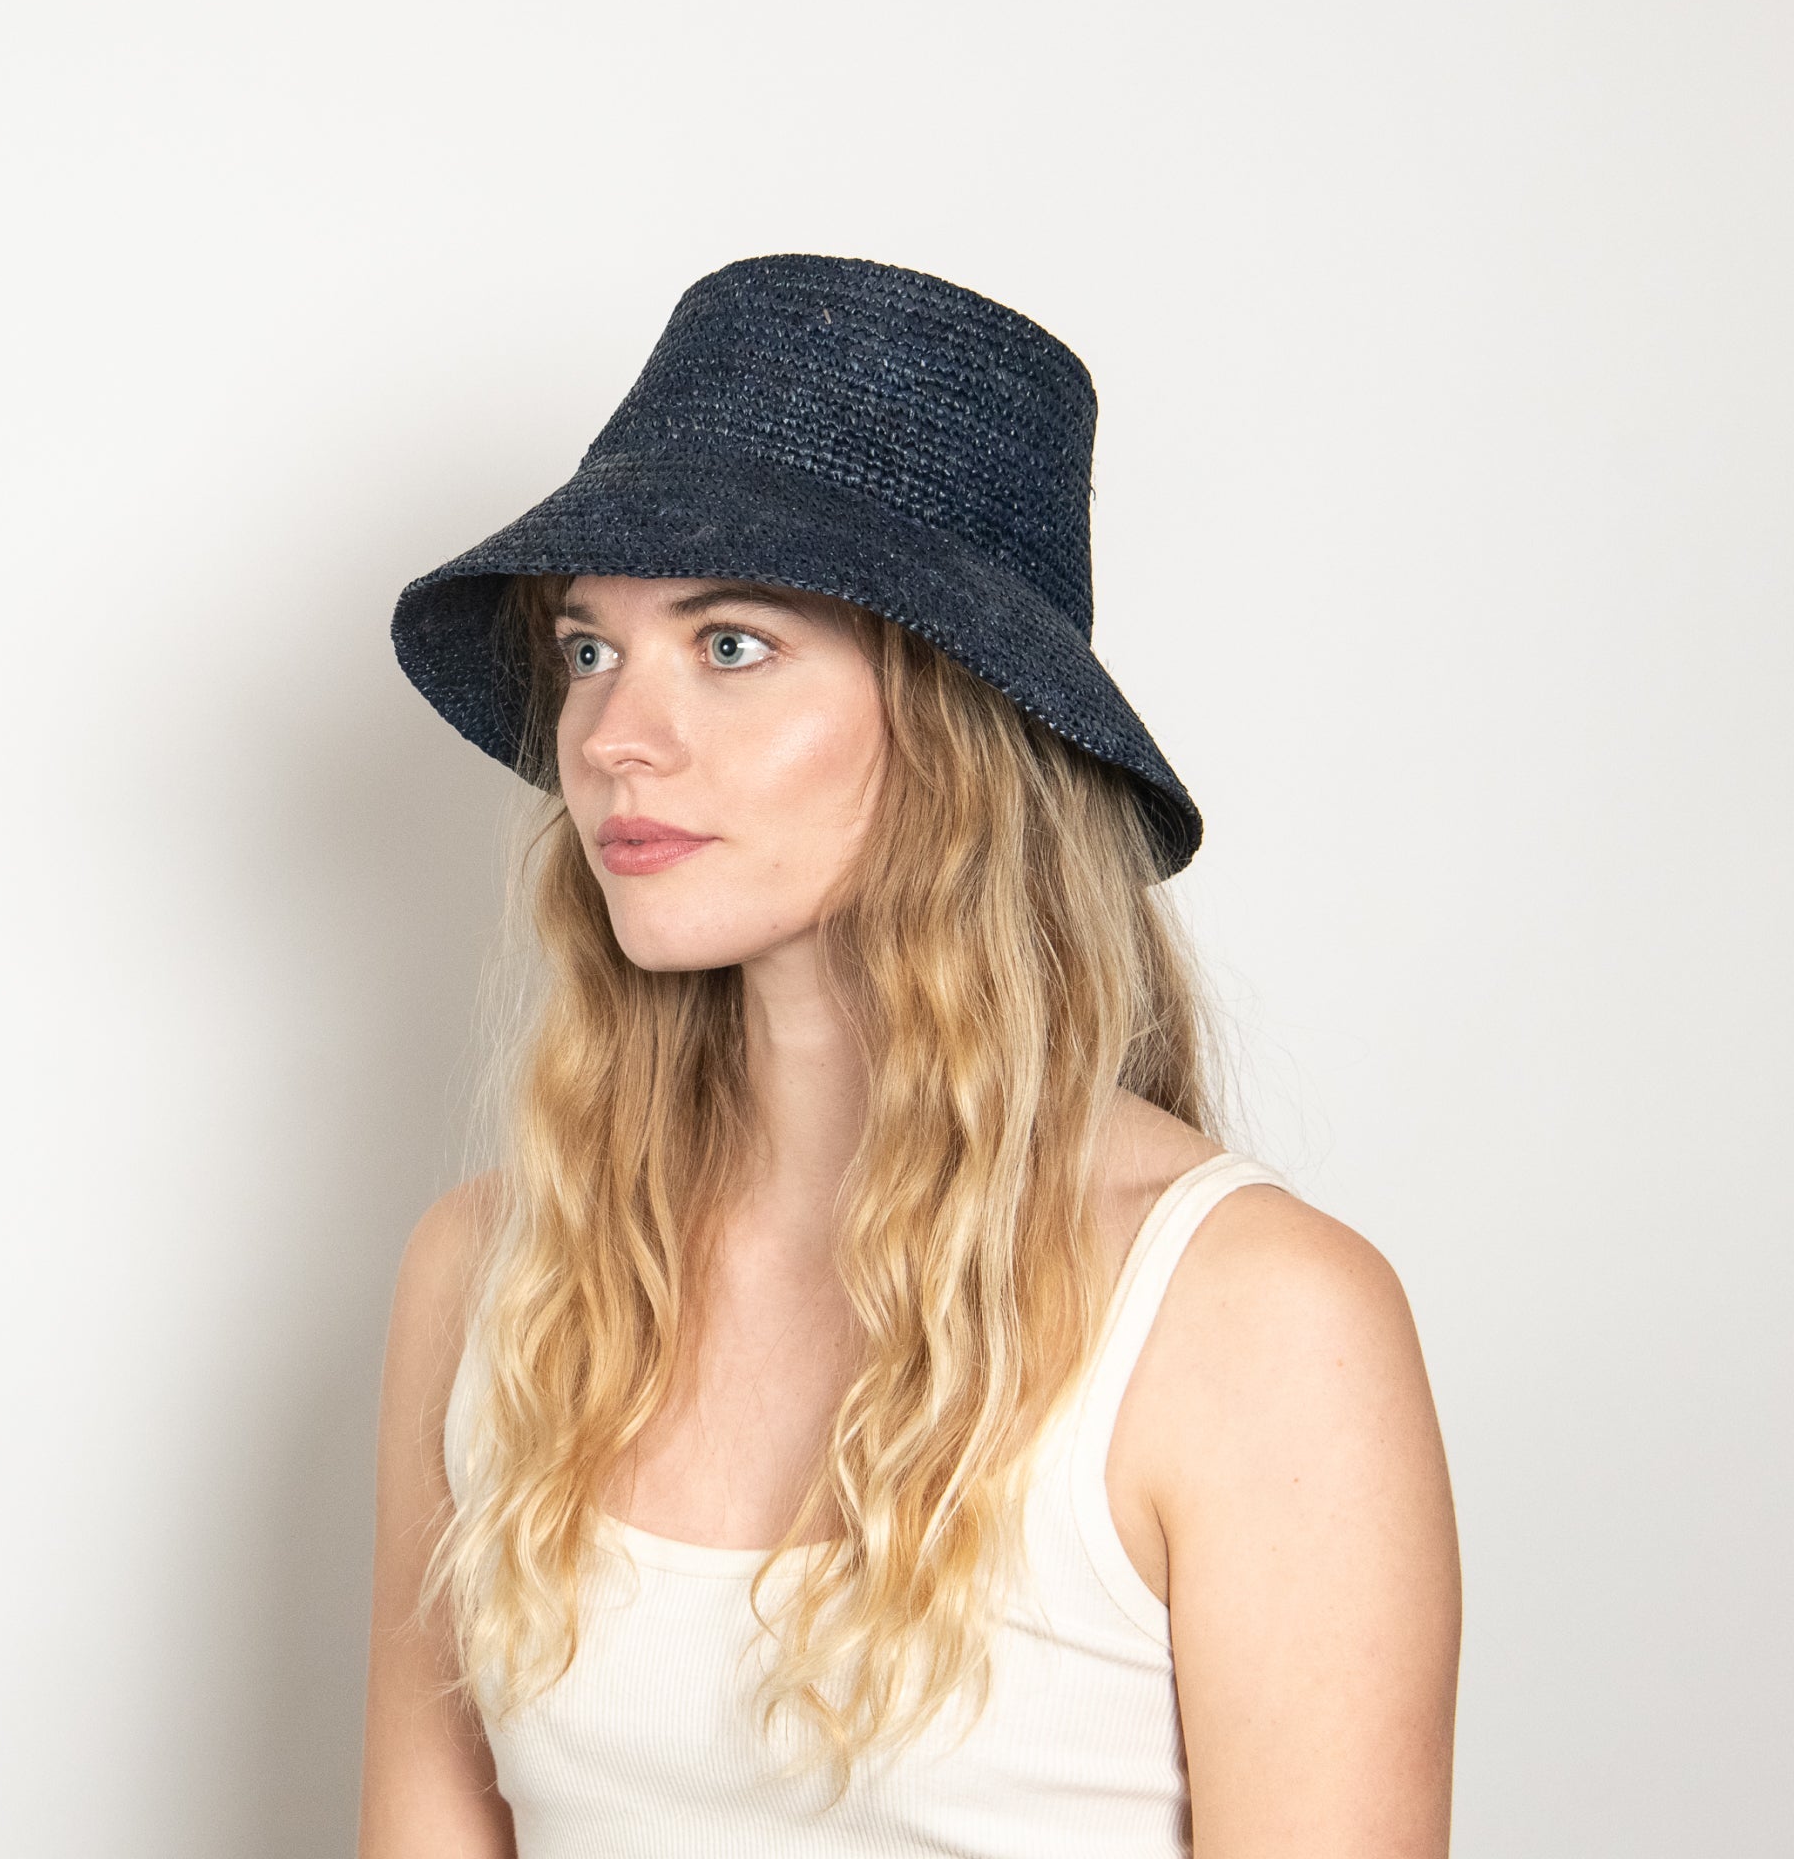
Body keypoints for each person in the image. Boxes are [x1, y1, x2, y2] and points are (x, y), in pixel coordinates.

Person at [357, 254, 1461, 1858]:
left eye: (731, 643)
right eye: (590, 649)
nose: (609, 737)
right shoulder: (495, 1278)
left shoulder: (1252, 1322)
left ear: (959, 720)